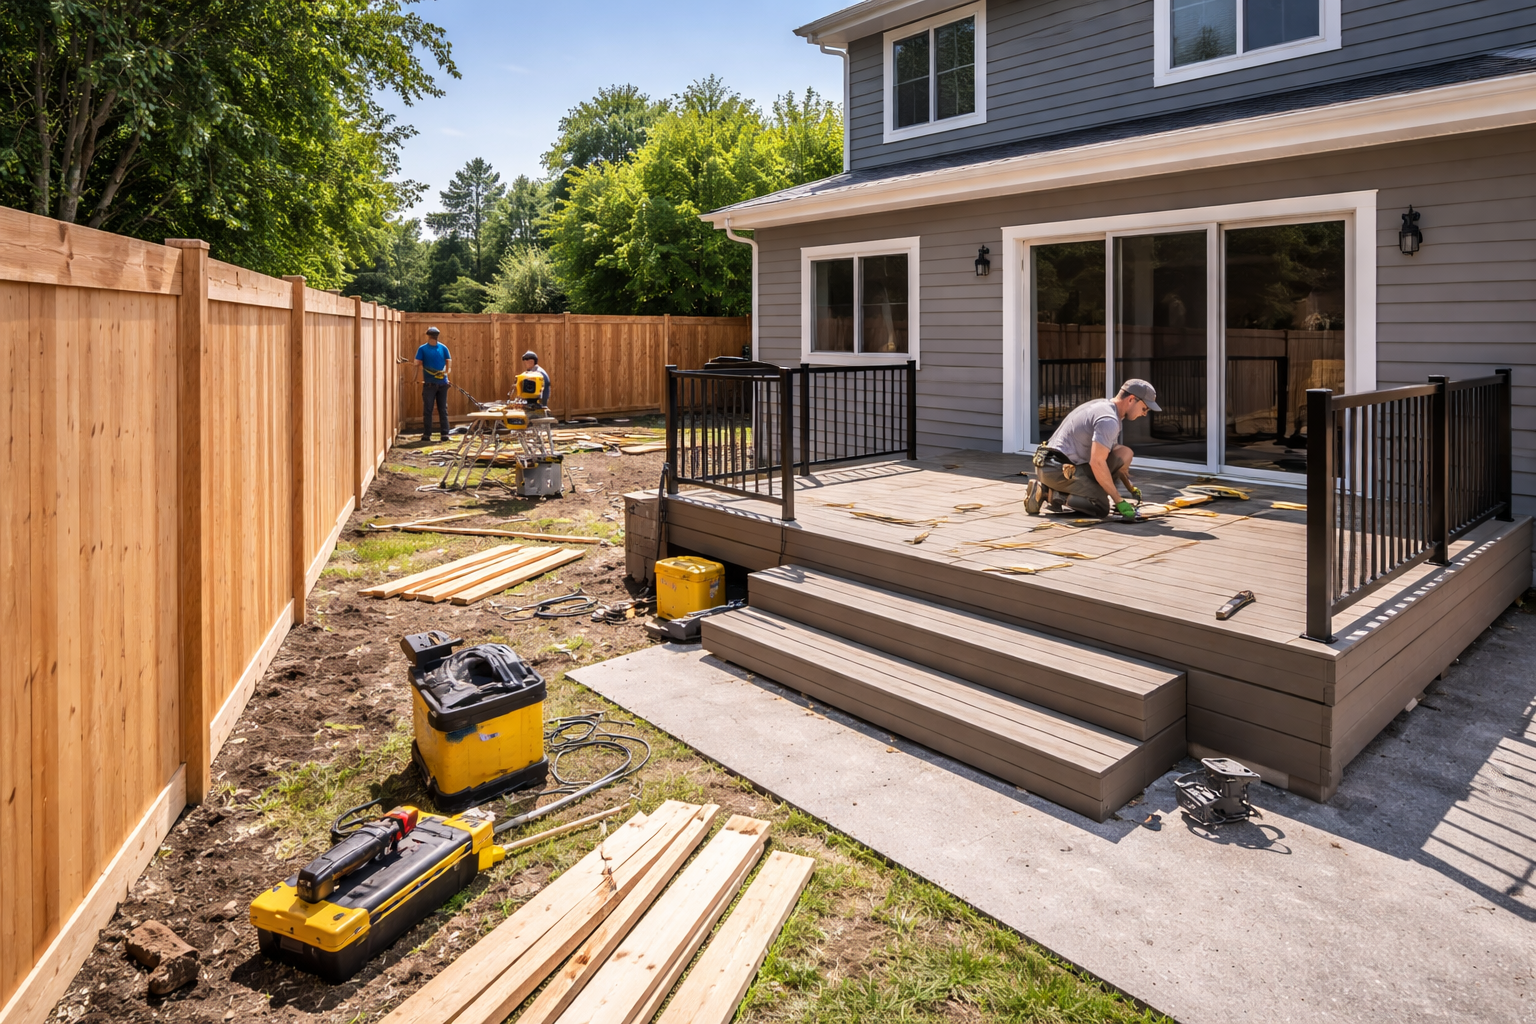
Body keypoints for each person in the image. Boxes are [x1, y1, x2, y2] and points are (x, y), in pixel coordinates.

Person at [1025, 379, 1160, 520]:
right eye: (1145, 408)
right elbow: (1097, 463)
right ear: (1131, 399)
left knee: (1124, 453)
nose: (1145, 414)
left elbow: (1107, 456)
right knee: (1101, 507)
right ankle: (1048, 492)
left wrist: (1130, 487)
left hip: (1056, 463)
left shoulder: (1104, 406)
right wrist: (1118, 500)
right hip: (1057, 469)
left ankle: (1085, 490)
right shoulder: (1108, 420)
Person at [415, 326, 451, 442]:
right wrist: (446, 373)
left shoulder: (423, 349)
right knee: (439, 409)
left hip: (439, 384)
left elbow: (416, 363)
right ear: (436, 336)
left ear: (428, 335)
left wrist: (446, 375)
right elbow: (448, 362)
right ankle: (432, 434)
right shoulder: (441, 348)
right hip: (433, 383)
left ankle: (437, 434)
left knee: (432, 409)